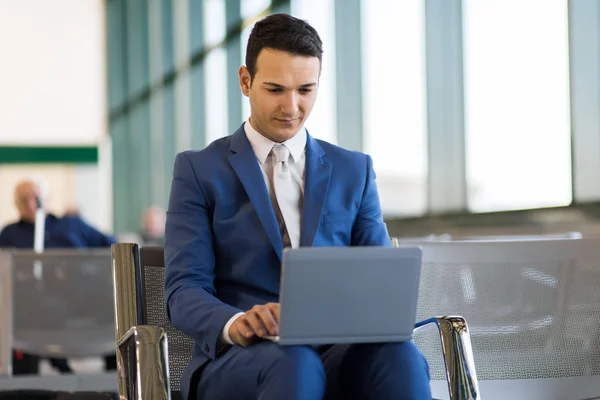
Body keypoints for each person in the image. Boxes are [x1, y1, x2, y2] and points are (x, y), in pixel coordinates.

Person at [164, 14, 431, 400]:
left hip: (337, 352)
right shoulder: (199, 169)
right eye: (275, 89)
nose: (292, 106)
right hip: (243, 358)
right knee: (295, 362)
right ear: (245, 81)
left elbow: (379, 278)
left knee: (399, 355)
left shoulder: (354, 170)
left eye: (306, 89)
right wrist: (236, 323)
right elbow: (183, 288)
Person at [0, 179, 117, 375]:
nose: (30, 204)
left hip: (82, 297)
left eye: (35, 198)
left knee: (116, 306)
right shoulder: (10, 234)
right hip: (36, 306)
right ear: (16, 203)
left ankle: (116, 376)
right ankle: (56, 372)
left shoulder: (71, 225)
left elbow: (112, 245)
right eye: (23, 199)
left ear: (46, 199)